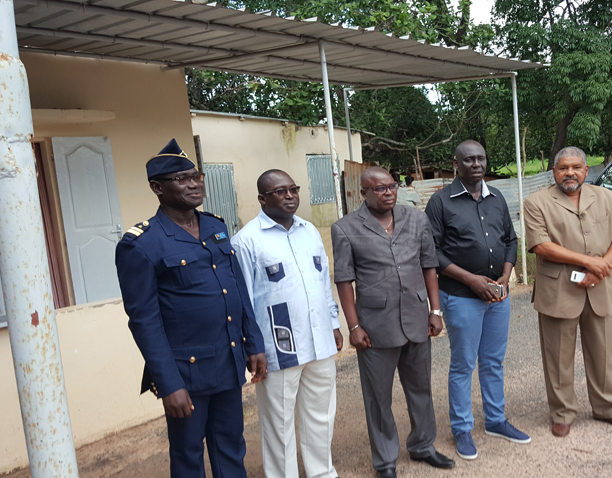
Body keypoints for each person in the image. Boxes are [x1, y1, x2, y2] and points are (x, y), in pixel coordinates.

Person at [115, 139, 267, 477]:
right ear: (157, 187)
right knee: (187, 456)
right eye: (181, 179)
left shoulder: (215, 226)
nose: (194, 184)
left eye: (195, 176)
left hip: (227, 359)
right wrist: (169, 384)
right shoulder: (141, 243)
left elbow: (238, 288)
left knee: (231, 445)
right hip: (187, 370)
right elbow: (144, 321)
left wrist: (252, 343)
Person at [332, 167, 455, 478]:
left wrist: (435, 311)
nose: (387, 192)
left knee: (421, 389)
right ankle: (385, 461)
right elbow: (344, 280)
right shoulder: (345, 228)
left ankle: (423, 446)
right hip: (375, 326)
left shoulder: (415, 218)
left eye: (391, 186)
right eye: (379, 188)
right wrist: (354, 326)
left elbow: (429, 265)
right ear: (363, 193)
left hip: (416, 319)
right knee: (378, 398)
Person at [425, 140, 530, 460]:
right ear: (455, 163)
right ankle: (461, 428)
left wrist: (505, 277)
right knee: (463, 364)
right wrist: (471, 280)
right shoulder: (441, 202)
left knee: (494, 361)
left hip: (498, 297)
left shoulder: (496, 196)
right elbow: (432, 252)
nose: (476, 164)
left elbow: (510, 240)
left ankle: (496, 420)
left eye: (481, 158)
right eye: (468, 159)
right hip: (461, 297)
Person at [232, 170, 342, 478]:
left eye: (293, 189)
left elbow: (323, 283)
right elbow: (244, 301)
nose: (290, 195)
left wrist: (333, 323)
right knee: (278, 423)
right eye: (281, 191)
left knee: (321, 414)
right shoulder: (246, 241)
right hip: (278, 347)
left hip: (319, 341)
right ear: (262, 199)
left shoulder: (309, 231)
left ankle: (322, 472)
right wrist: (253, 346)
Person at [523, 146, 612, 438]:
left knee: (603, 352)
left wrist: (600, 268)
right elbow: (541, 246)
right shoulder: (536, 202)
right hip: (558, 288)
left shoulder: (605, 196)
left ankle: (606, 408)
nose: (569, 173)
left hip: (599, 286)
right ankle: (562, 413)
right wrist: (588, 262)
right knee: (558, 356)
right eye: (563, 168)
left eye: (576, 167)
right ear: (554, 172)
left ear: (587, 171)